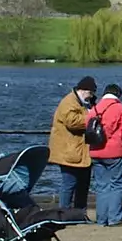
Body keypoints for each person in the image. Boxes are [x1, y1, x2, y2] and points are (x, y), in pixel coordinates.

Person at [88, 83, 122, 226]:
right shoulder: (120, 108)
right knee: (117, 185)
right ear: (118, 95)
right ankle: (115, 218)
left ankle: (102, 218)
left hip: (96, 151)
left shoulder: (94, 109)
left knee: (102, 186)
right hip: (116, 152)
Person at [48, 76, 96, 211]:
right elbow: (72, 122)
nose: (91, 96)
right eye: (91, 93)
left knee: (83, 184)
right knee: (69, 184)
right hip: (69, 151)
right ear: (84, 90)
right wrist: (91, 117)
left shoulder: (83, 103)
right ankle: (64, 212)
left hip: (80, 151)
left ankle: (80, 213)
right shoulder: (69, 102)